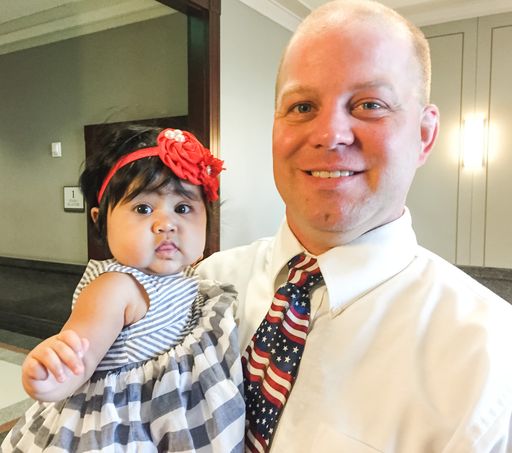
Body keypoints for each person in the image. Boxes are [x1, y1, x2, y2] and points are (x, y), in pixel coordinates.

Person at [198, 0, 512, 452]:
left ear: (424, 135)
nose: (329, 134)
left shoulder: (490, 362)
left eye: (369, 104)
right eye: (302, 106)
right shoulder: (206, 285)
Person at [2, 126, 244, 452]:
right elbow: (80, 357)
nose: (166, 223)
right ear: (101, 220)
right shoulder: (116, 287)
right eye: (143, 208)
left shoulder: (189, 279)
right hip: (127, 429)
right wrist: (52, 375)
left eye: (183, 208)